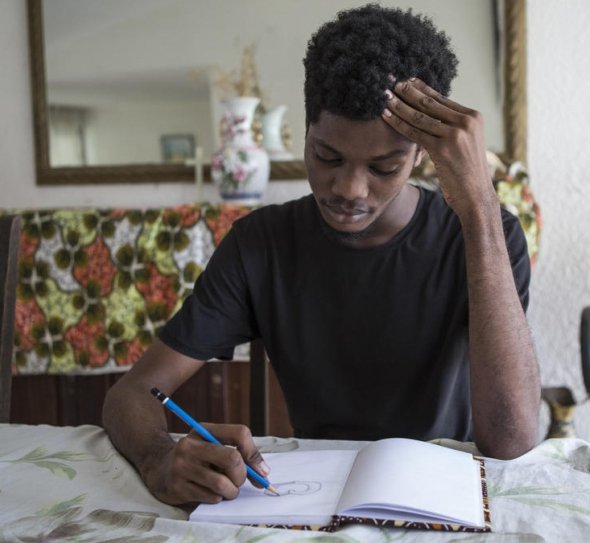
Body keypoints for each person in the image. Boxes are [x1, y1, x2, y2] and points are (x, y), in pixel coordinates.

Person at [102, 4, 541, 506]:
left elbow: (512, 442)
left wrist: (480, 206)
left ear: (422, 154)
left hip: (444, 495)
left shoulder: (485, 234)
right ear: (306, 131)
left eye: (384, 166)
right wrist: (159, 457)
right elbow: (130, 395)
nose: (349, 188)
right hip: (308, 499)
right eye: (327, 156)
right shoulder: (260, 244)